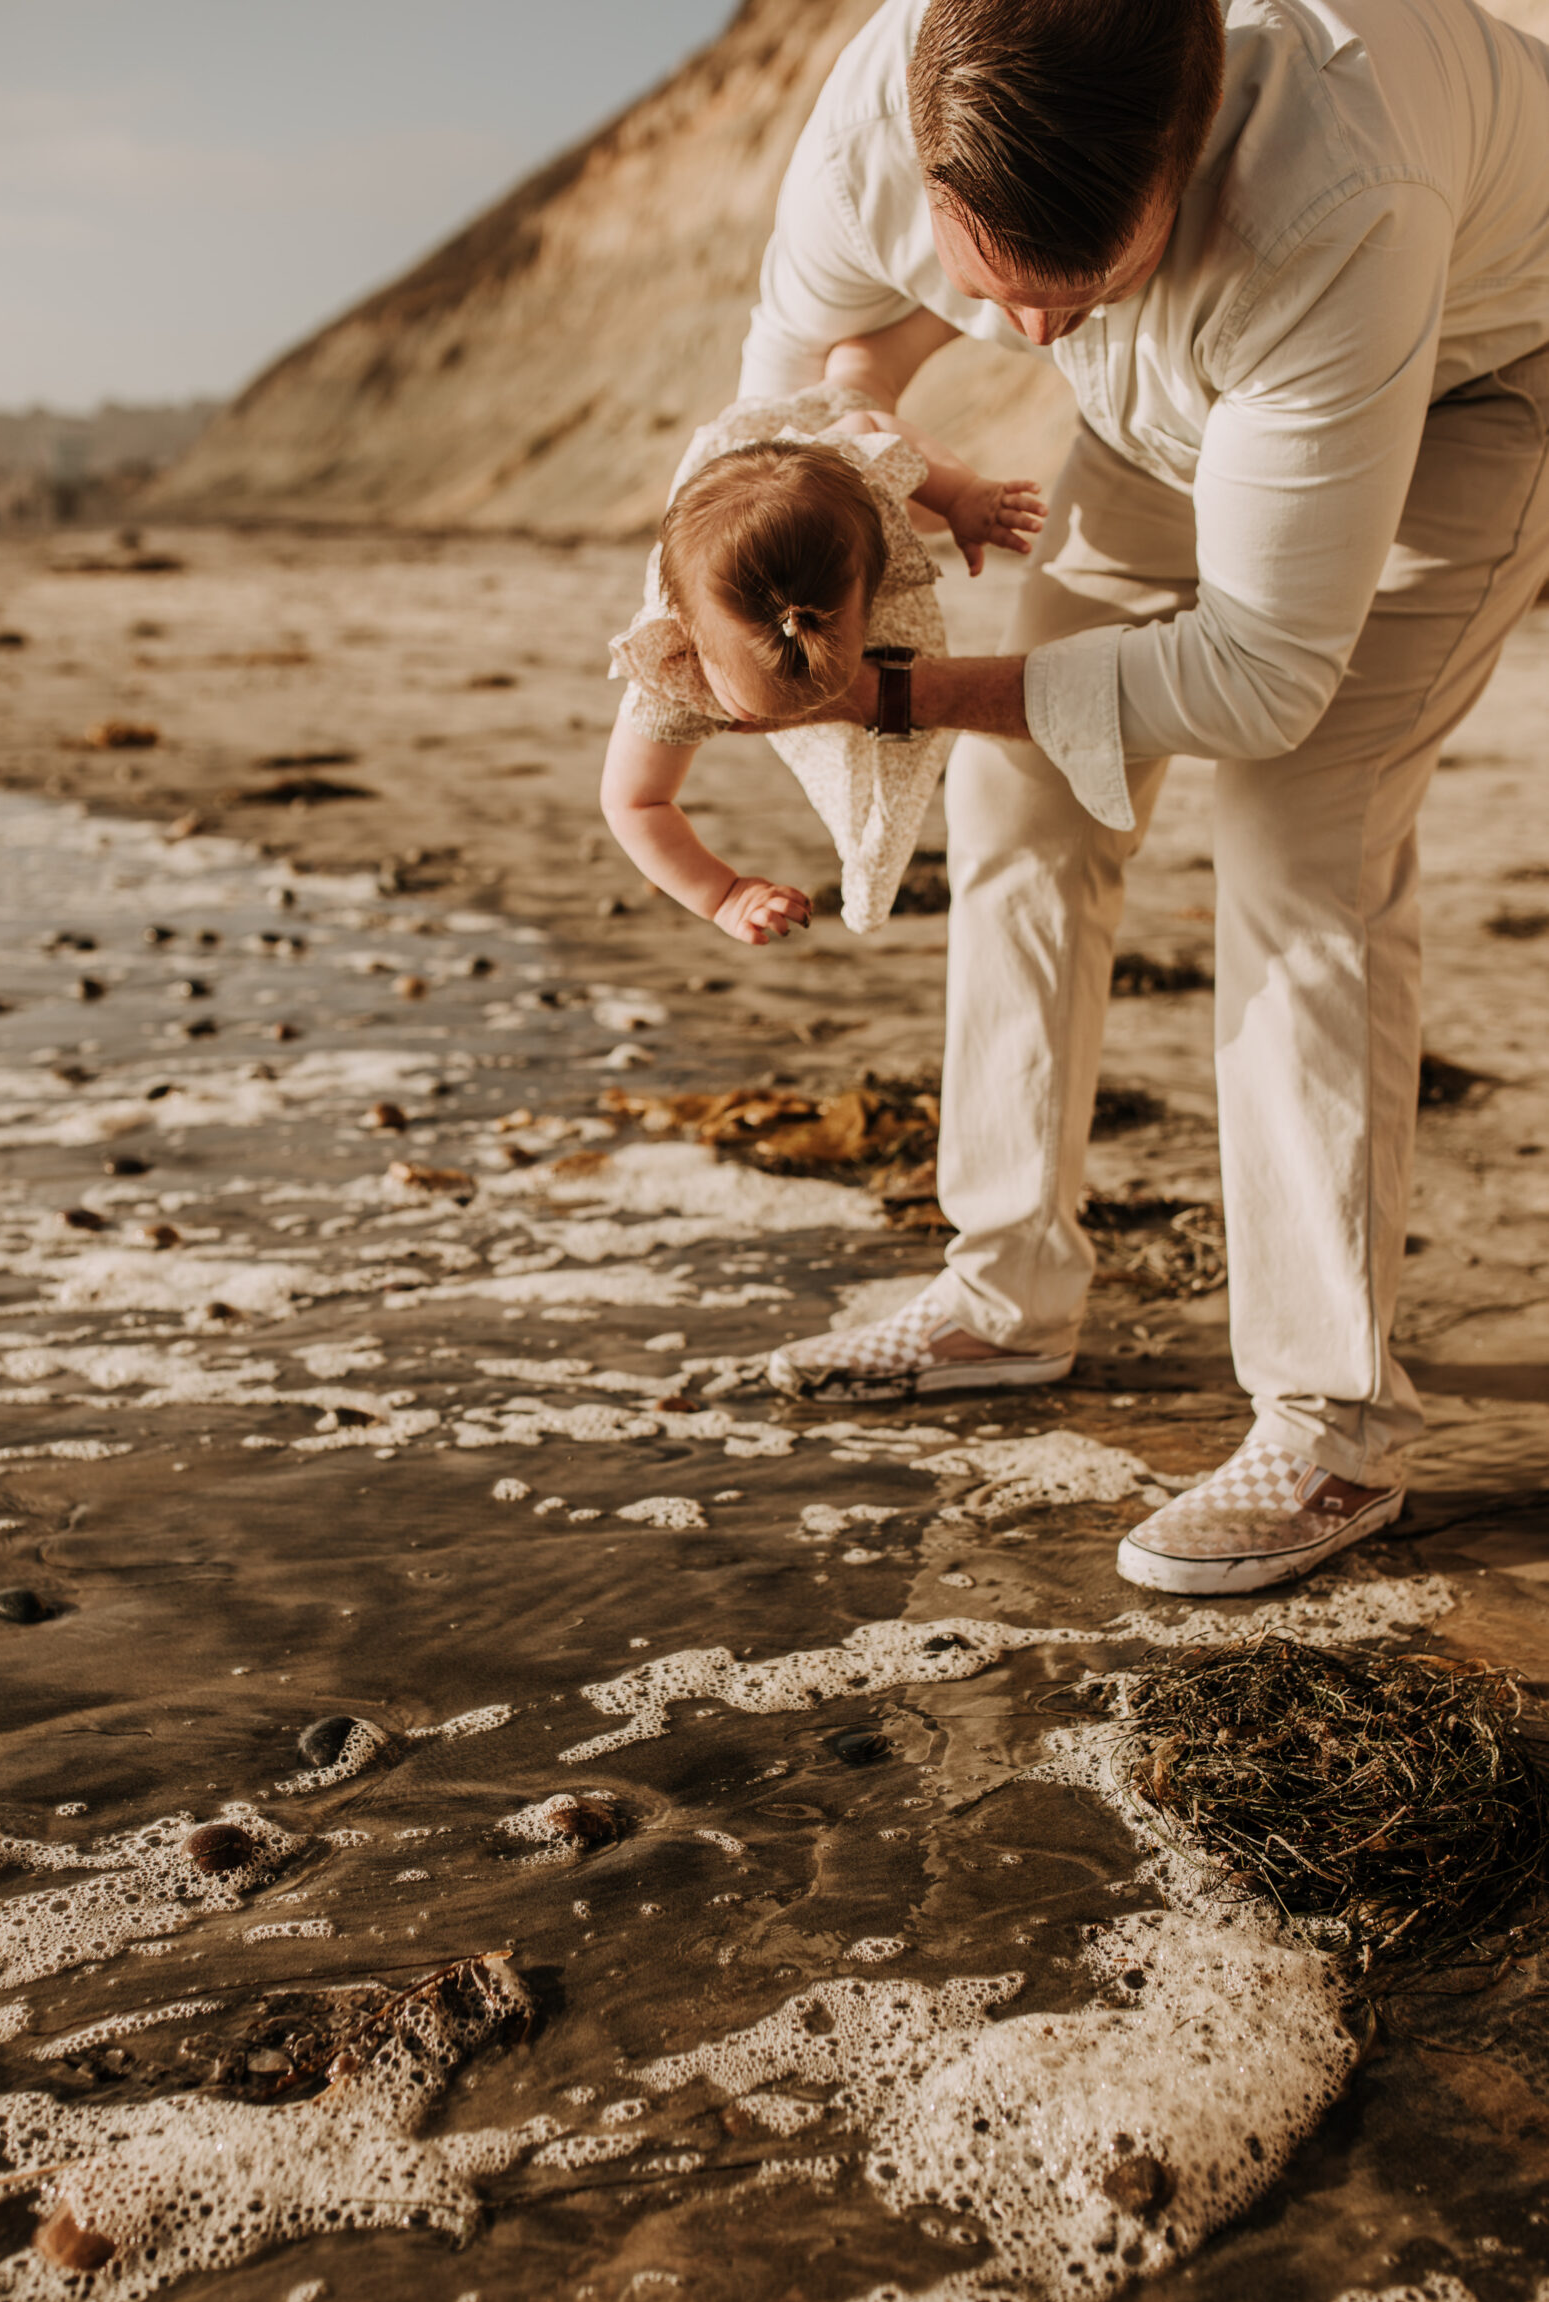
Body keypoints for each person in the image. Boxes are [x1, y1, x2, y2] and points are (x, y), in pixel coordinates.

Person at [735, 0, 1549, 1596]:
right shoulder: (867, 128)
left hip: (1478, 372)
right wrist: (853, 430)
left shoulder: (1332, 182)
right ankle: (1002, 1291)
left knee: (1297, 829)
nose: (1025, 343)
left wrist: (904, 694)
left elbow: (1256, 680)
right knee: (1023, 803)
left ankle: (1328, 1425)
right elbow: (763, 428)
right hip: (1177, 407)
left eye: (1077, 291)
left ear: (1183, 159)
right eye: (989, 299)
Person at [601, 383, 1043, 938]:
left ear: (871, 600)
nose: (799, 718)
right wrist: (724, 895)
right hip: (731, 492)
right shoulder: (671, 677)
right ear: (688, 643)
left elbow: (870, 427)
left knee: (858, 389)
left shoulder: (857, 474)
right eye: (768, 711)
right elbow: (633, 804)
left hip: (812, 467)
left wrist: (960, 495)